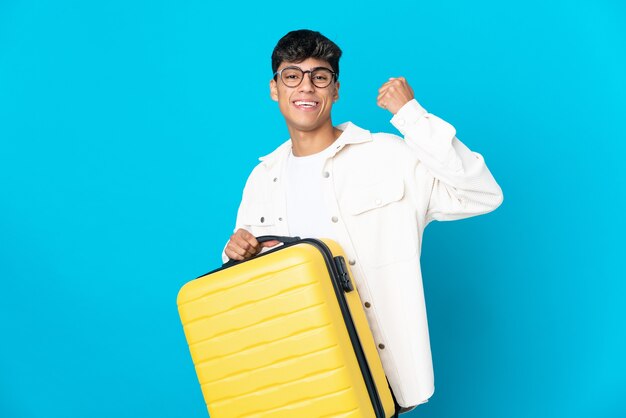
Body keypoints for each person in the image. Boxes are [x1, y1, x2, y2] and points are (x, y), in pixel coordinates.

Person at [222, 29, 503, 412]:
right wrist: (236, 255)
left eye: (319, 76)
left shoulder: (388, 156)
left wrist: (411, 116)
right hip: (295, 376)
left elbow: (482, 194)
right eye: (292, 75)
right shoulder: (262, 178)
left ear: (335, 90)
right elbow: (249, 289)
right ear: (275, 88)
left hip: (378, 378)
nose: (306, 87)